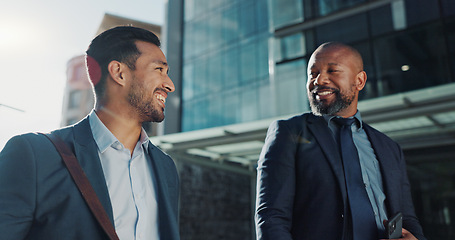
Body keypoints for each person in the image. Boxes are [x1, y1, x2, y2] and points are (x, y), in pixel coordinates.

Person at [0, 26, 180, 240]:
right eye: (159, 70)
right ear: (119, 73)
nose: (170, 85)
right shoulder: (33, 156)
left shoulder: (166, 166)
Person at [255, 42, 426, 240]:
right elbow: (271, 217)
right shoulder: (288, 132)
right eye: (313, 73)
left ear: (360, 81)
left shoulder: (390, 148)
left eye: (332, 70)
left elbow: (408, 218)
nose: (319, 80)